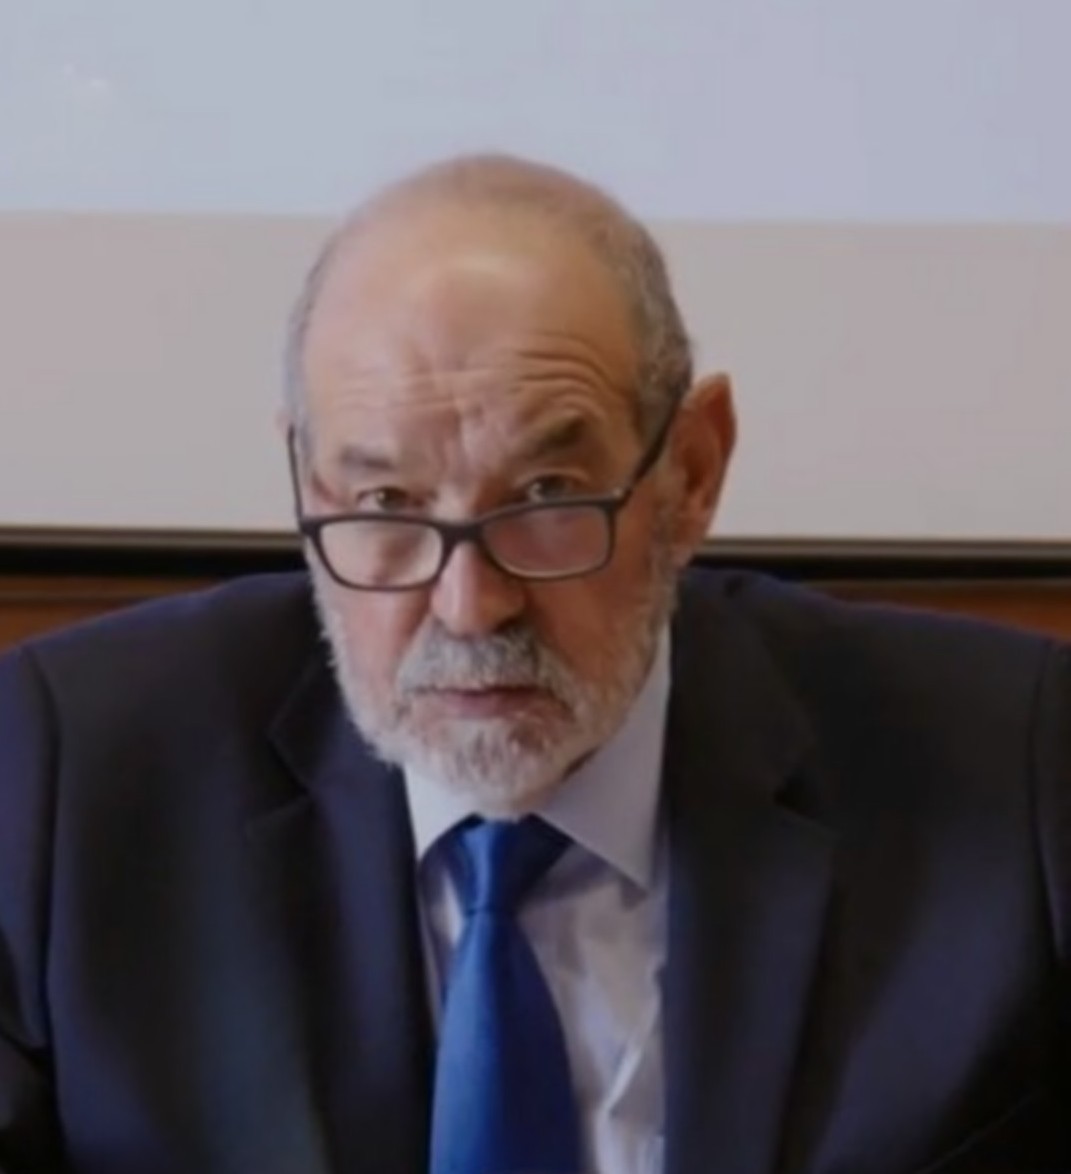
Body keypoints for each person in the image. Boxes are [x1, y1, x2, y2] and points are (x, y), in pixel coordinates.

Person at [1, 154, 1069, 1174]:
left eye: (548, 498)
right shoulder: (71, 778)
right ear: (303, 480)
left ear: (691, 473)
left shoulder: (1014, 766)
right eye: (385, 504)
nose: (469, 607)